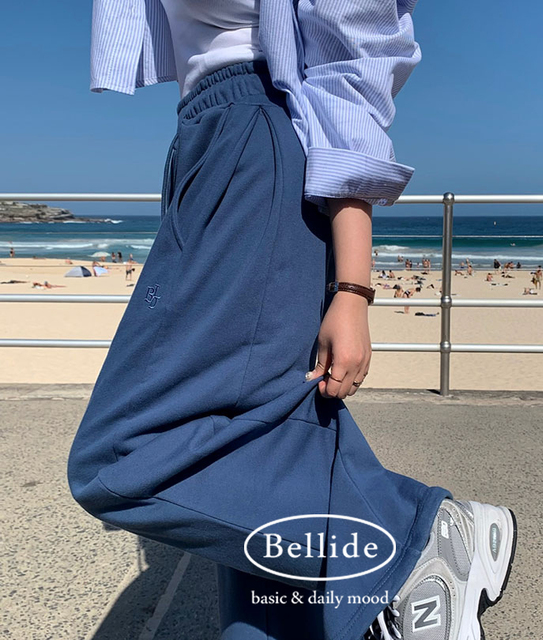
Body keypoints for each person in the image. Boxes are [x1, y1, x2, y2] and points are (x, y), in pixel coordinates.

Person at [66, 2, 518, 640]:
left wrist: (353, 288)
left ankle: (413, 533)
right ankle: (402, 558)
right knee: (260, 444)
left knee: (119, 458)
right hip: (210, 140)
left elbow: (351, 59)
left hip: (254, 139)